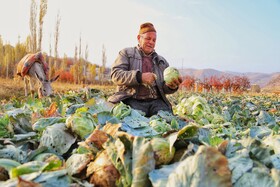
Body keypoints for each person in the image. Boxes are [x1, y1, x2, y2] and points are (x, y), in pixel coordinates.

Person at [108, 22, 182, 117]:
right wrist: (139, 77)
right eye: (148, 38)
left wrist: (171, 86)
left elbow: (164, 89)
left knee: (166, 121)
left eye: (154, 40)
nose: (151, 42)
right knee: (132, 122)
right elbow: (116, 75)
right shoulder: (126, 53)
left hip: (156, 102)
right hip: (132, 100)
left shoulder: (162, 61)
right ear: (139, 38)